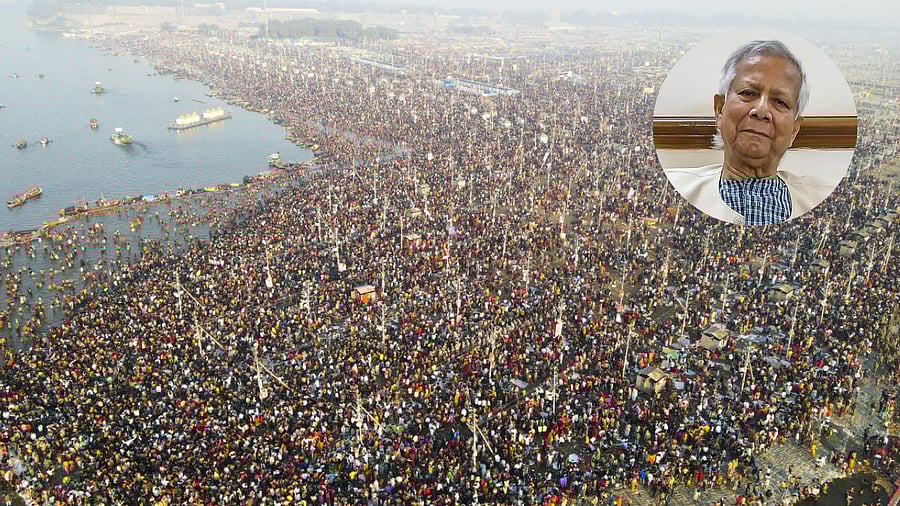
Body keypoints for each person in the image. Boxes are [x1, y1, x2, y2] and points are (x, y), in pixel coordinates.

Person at [664, 39, 834, 226]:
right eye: (748, 93)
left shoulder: (825, 197)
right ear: (720, 109)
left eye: (780, 102)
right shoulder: (673, 186)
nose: (761, 111)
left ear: (794, 130)